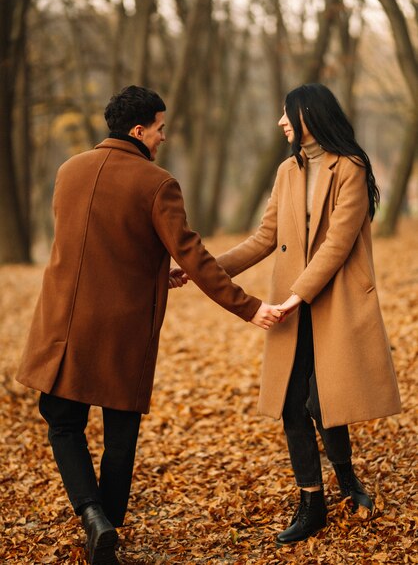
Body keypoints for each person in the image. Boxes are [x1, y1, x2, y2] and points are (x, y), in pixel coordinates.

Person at [16, 85, 282, 565]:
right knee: (120, 436)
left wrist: (158, 268)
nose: (163, 136)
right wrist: (248, 307)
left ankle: (92, 516)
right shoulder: (158, 184)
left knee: (62, 422)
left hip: (63, 323)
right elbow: (194, 256)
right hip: (122, 328)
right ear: (139, 131)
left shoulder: (68, 170)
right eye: (159, 127)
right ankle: (107, 527)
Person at [194, 83, 401, 544]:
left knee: (325, 399)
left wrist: (297, 294)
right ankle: (312, 503)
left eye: (287, 114)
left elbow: (338, 242)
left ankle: (347, 480)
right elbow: (265, 237)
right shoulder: (287, 170)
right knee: (292, 400)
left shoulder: (349, 167)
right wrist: (201, 268)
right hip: (295, 303)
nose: (281, 122)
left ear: (310, 114)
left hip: (333, 299)